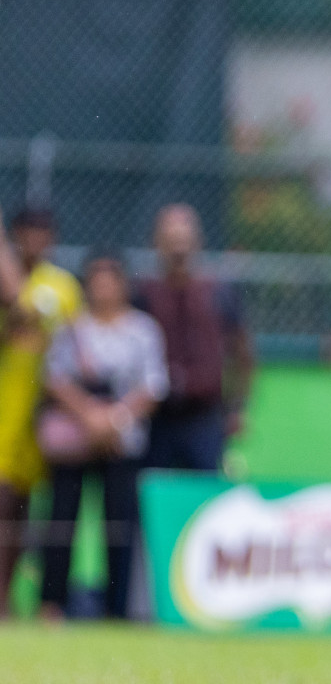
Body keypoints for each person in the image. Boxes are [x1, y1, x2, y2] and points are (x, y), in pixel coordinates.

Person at [38, 252, 167, 620]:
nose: (104, 289)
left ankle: (118, 607)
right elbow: (54, 377)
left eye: (111, 281)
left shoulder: (142, 330)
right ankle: (52, 604)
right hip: (76, 438)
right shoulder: (72, 328)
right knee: (63, 521)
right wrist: (89, 416)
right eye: (97, 281)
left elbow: (154, 385)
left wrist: (116, 418)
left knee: (119, 525)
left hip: (121, 440)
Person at [0, 206, 83, 617]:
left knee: (23, 508)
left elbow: (37, 323)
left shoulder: (61, 286)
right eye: (25, 232)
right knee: (3, 501)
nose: (34, 239)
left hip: (45, 413)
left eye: (42, 231)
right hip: (6, 405)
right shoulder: (8, 278)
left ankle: (18, 596)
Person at [134, 203, 253, 472]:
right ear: (157, 243)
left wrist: (237, 408)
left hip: (204, 415)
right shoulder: (145, 294)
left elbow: (242, 353)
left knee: (203, 493)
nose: (178, 249)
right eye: (170, 240)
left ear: (197, 242)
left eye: (183, 240)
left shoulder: (218, 292)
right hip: (158, 417)